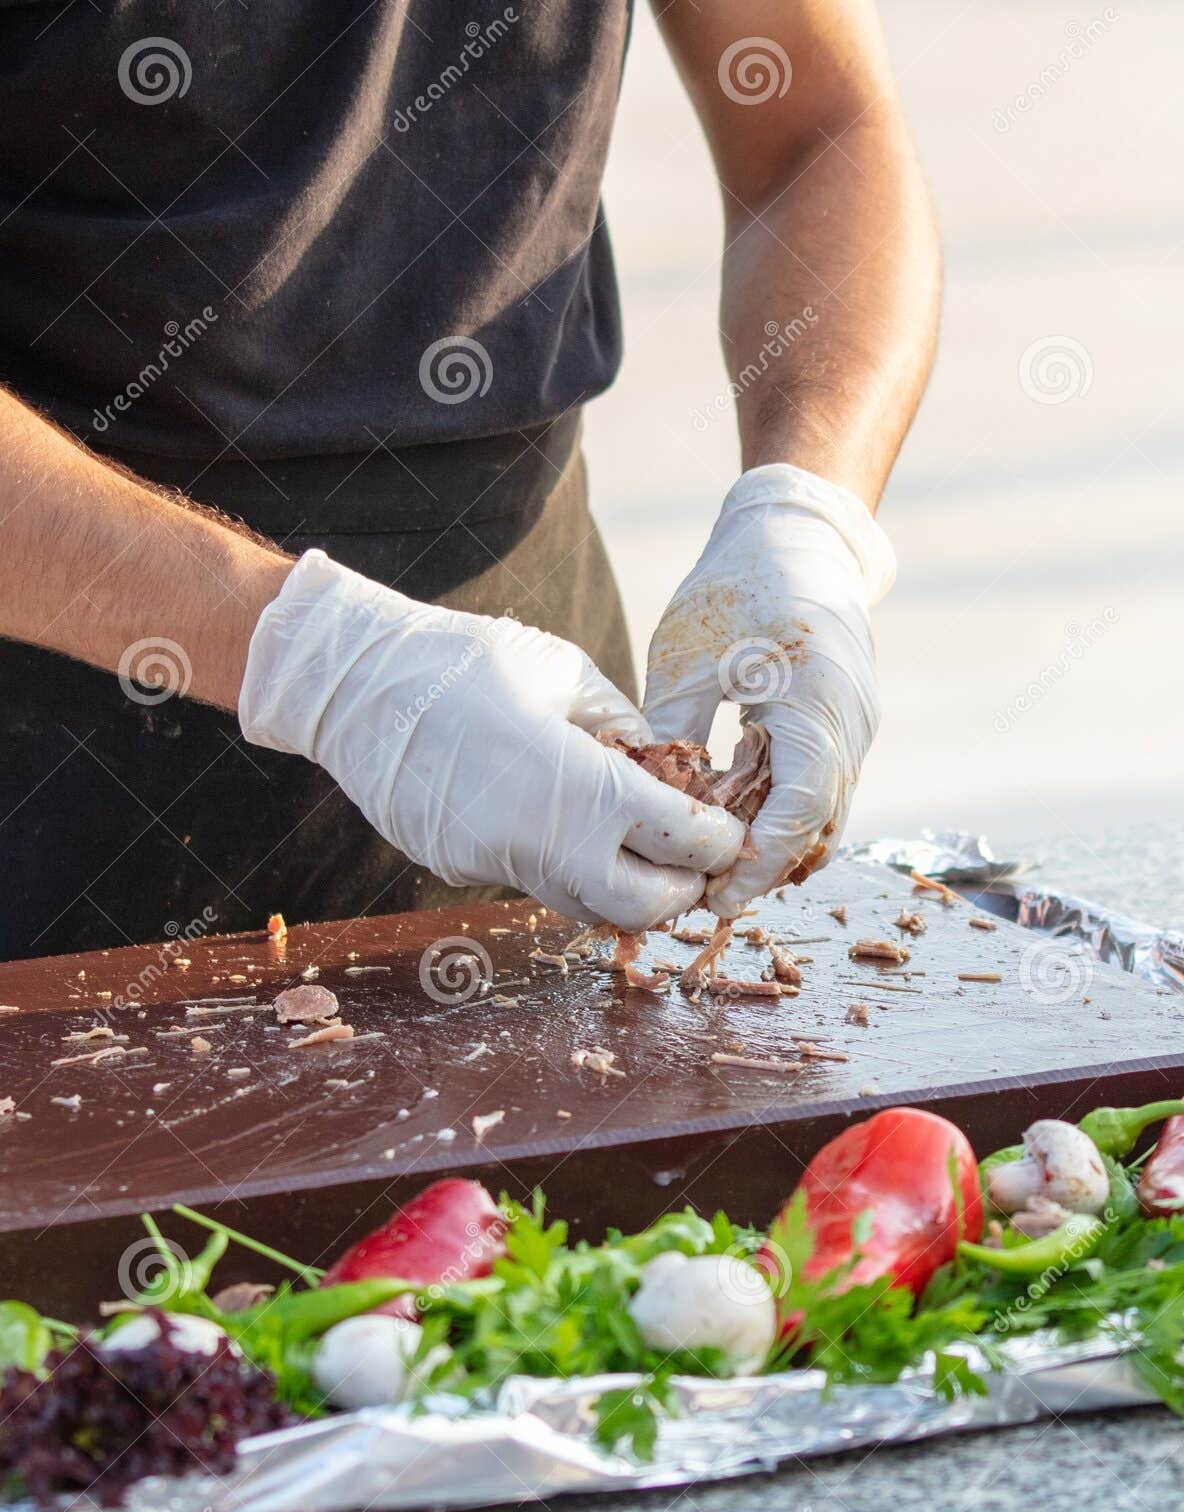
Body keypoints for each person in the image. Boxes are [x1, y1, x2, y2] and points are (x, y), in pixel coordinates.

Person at [0, 3, 938, 962]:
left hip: (536, 716)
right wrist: (322, 663)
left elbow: (819, 129)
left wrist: (808, 512)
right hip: (61, 708)